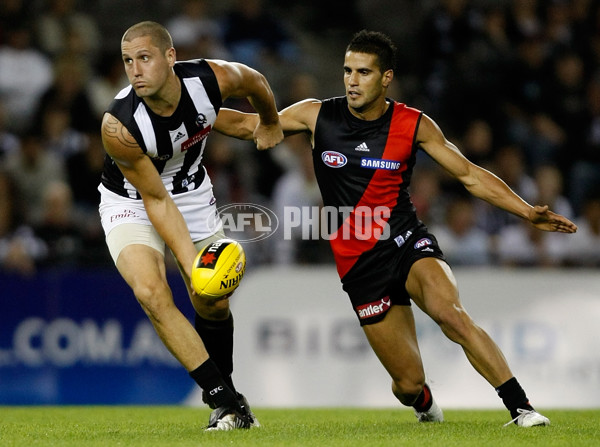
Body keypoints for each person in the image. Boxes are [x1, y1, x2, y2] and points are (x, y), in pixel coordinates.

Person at [218, 30, 578, 427]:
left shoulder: (413, 124)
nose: (352, 81)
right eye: (347, 71)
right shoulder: (316, 114)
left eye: (364, 72)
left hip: (406, 240)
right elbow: (247, 124)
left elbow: (470, 175)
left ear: (386, 77)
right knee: (407, 383)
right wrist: (189, 114)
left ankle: (521, 408)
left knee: (451, 313)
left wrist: (526, 211)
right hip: (358, 262)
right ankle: (423, 401)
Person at [98, 21, 283, 431]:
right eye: (128, 61)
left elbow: (254, 80)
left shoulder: (210, 79)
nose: (135, 70)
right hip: (131, 201)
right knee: (150, 291)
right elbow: (157, 201)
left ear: (170, 57)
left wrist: (268, 120)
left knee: (213, 301)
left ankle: (231, 396)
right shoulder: (119, 126)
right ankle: (222, 399)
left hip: (192, 194)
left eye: (144, 58)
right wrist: (194, 265)